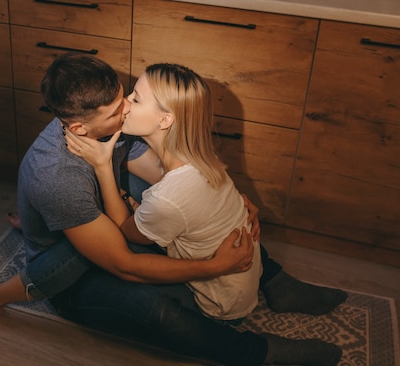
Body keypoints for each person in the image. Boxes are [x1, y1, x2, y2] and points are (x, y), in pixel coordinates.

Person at [0, 52, 346, 365]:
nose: (127, 107)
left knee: (192, 216)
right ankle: (257, 353)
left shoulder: (104, 123)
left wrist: (223, 196)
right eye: (119, 108)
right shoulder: (57, 174)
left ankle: (275, 281)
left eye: (126, 97)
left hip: (99, 221)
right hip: (72, 276)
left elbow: (164, 174)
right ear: (78, 128)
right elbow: (125, 263)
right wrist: (213, 267)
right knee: (153, 305)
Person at [64, 63, 264, 323]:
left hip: (216, 304)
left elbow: (124, 229)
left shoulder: (168, 198)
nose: (124, 103)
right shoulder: (203, 158)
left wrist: (102, 166)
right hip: (240, 286)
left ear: (165, 119)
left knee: (90, 286)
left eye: (136, 98)